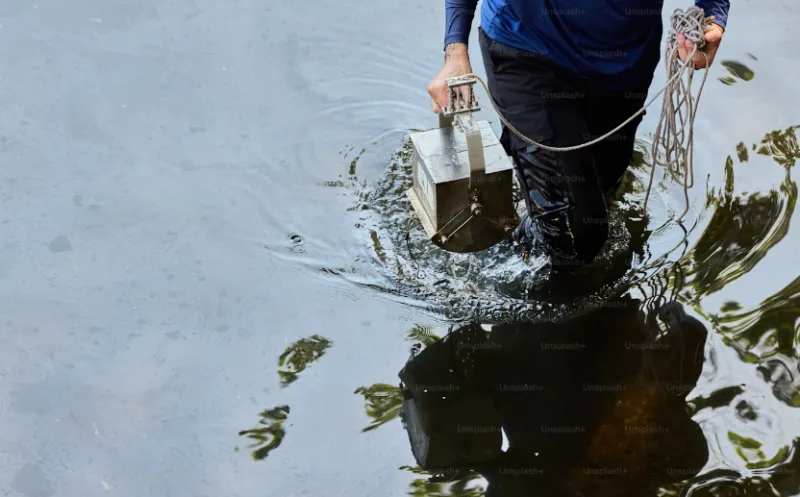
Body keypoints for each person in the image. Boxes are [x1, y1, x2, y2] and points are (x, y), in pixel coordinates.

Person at [428, 0, 730, 266]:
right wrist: (455, 51)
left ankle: (531, 211)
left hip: (623, 66)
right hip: (526, 49)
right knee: (574, 233)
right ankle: (505, 263)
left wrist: (712, 14)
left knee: (604, 192)